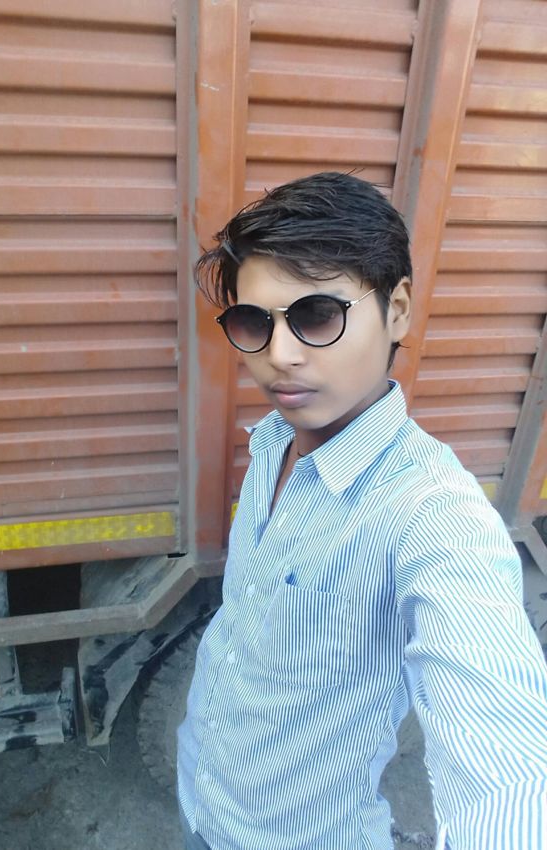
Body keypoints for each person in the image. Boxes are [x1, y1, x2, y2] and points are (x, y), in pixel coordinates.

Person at [177, 171, 547, 850]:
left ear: (397, 310)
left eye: (317, 315)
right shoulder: (272, 442)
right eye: (254, 322)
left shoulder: (432, 513)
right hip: (201, 800)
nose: (278, 356)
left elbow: (507, 770)